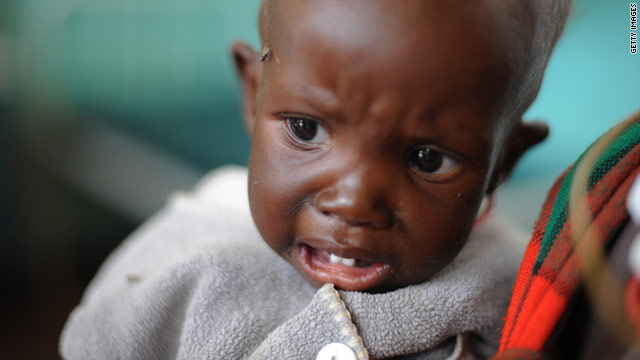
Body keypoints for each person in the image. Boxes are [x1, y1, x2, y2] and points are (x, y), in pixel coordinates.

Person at [60, 1, 571, 358]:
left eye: (428, 159)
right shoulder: (173, 272)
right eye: (306, 129)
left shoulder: (518, 288)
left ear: (503, 163)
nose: (354, 203)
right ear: (254, 94)